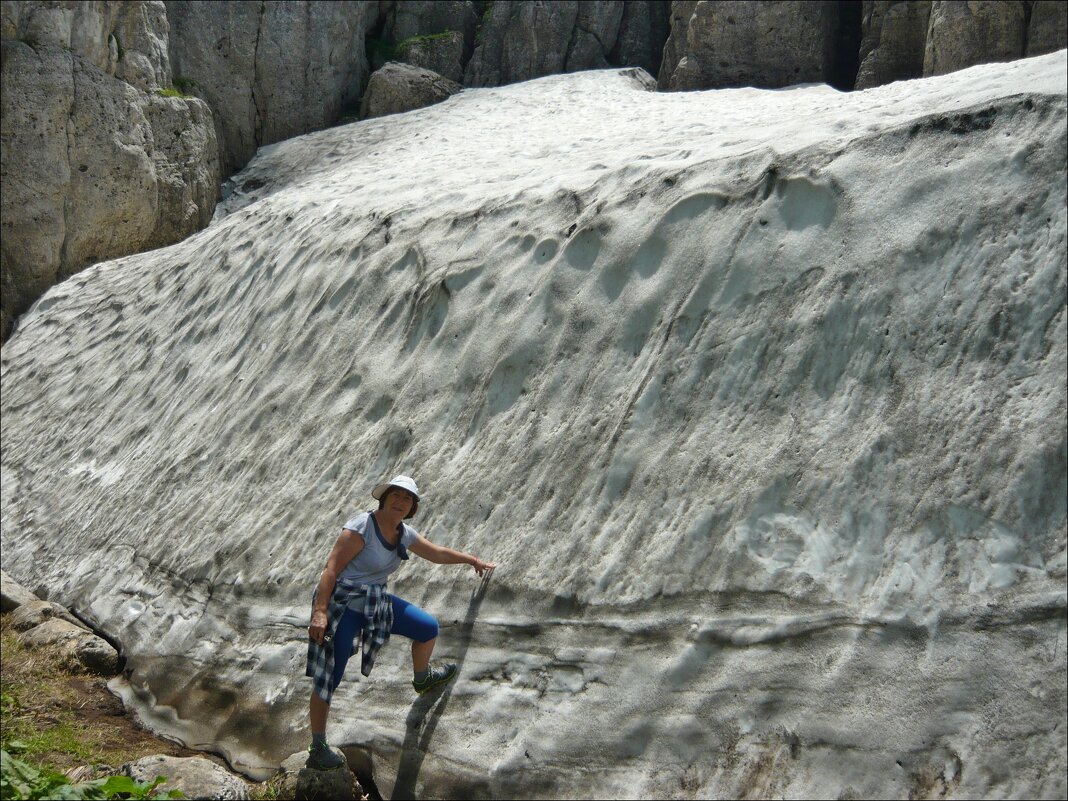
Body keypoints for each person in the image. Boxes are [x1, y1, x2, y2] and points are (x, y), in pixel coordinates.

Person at [304, 474, 496, 770]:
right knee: (330, 675)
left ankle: (422, 678)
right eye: (397, 495)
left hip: (374, 602)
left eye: (408, 499)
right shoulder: (361, 527)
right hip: (342, 606)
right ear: (385, 497)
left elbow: (436, 553)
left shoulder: (403, 533)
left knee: (427, 628)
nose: (401, 501)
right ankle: (317, 745)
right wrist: (320, 612)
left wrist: (471, 559)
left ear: (412, 507)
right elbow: (330, 570)